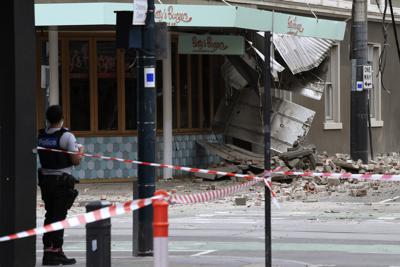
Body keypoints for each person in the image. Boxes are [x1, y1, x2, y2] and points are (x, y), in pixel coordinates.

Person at [37, 105, 84, 265]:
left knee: (50, 215)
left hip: (45, 182)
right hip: (61, 182)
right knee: (59, 217)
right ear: (62, 117)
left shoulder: (42, 136)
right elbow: (75, 160)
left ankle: (48, 251)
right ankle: (56, 251)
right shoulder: (67, 137)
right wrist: (81, 151)